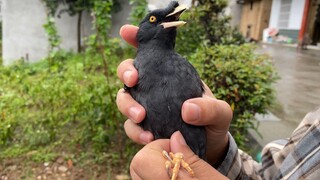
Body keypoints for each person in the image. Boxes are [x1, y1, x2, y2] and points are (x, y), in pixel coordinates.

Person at [116, 24, 320, 179]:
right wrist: (218, 154)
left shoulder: (181, 67)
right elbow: (268, 175)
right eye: (153, 20)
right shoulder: (312, 129)